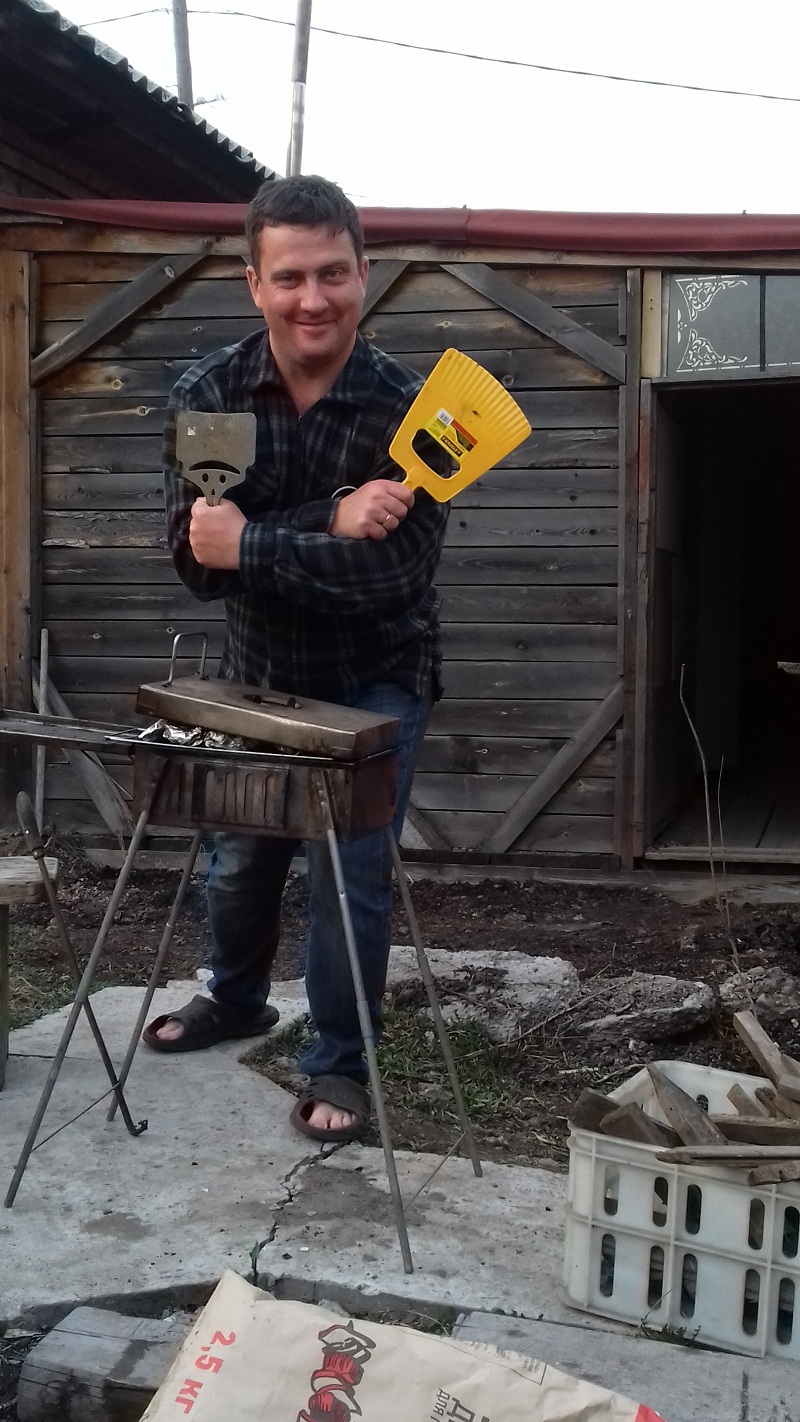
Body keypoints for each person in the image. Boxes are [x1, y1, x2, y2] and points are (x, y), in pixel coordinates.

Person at [143, 174, 449, 1144]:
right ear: (254, 283)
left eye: (331, 274)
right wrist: (329, 518)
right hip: (259, 673)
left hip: (377, 673)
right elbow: (197, 566)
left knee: (344, 874)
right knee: (238, 860)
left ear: (364, 274)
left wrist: (254, 542)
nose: (311, 299)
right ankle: (237, 998)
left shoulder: (418, 413)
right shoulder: (211, 397)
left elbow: (391, 580)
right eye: (289, 277)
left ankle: (340, 1061)